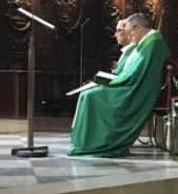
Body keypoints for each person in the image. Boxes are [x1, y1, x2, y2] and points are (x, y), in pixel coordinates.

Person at [69, 12, 169, 157]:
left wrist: (112, 81)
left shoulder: (153, 44)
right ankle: (87, 141)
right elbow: (134, 71)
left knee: (91, 96)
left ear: (137, 28)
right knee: (88, 93)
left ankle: (100, 143)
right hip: (133, 84)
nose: (130, 37)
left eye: (130, 33)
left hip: (137, 90)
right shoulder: (147, 43)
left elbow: (136, 73)